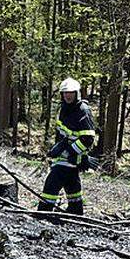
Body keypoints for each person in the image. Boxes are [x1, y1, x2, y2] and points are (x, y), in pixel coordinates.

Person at [38, 77, 96, 215]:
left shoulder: (83, 110)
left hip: (73, 156)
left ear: (77, 94)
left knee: (52, 183)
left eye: (70, 92)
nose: (67, 95)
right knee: (71, 183)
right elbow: (63, 133)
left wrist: (70, 151)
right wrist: (57, 147)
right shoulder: (64, 109)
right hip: (66, 155)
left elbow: (88, 138)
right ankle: (76, 211)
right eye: (65, 93)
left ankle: (43, 213)